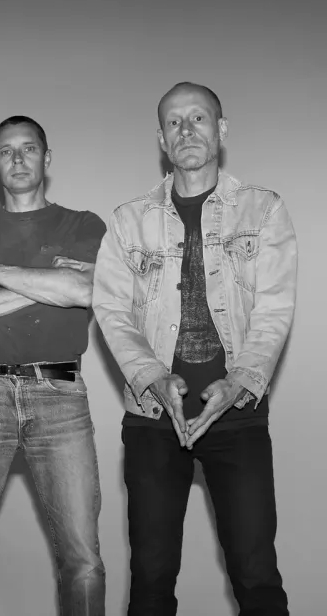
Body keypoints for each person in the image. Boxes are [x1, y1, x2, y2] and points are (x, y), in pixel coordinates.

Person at [93, 82, 297, 615]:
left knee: (256, 575)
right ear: (162, 139)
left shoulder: (263, 209)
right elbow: (111, 310)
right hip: (153, 418)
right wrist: (152, 377)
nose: (186, 130)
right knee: (151, 580)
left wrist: (239, 382)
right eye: (174, 122)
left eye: (198, 118)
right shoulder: (127, 220)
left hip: (238, 414)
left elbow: (274, 309)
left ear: (221, 130)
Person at [0, 115, 107, 614]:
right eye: (6, 151)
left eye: (28, 148)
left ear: (46, 158)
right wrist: (48, 283)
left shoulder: (84, 225)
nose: (17, 158)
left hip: (60, 395)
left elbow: (86, 292)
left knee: (83, 559)